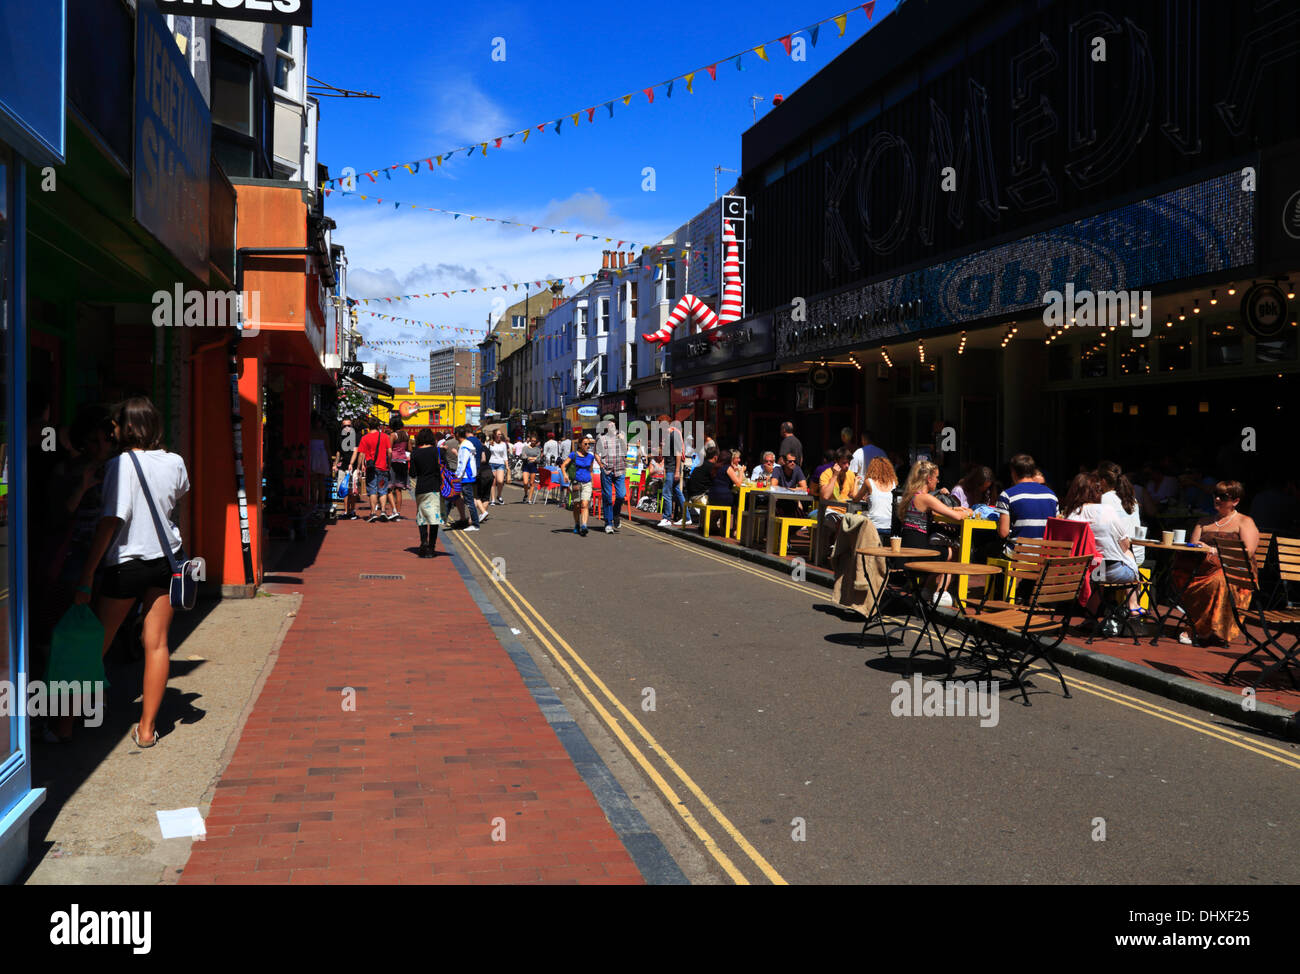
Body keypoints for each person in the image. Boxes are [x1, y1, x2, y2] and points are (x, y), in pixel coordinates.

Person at [73, 397, 189, 748]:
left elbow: (111, 520)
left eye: (116, 426)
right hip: (166, 561)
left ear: (127, 427)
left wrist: (87, 574)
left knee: (95, 645)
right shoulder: (175, 461)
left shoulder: (120, 465)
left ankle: (72, 718)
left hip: (125, 564)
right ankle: (147, 728)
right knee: (157, 645)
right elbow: (177, 501)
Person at [1175, 480, 1259, 645]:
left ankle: (1200, 628)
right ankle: (1200, 625)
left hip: (1235, 571)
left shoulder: (1245, 522)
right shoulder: (1203, 521)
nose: (1218, 499)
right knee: (1178, 571)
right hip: (1202, 568)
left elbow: (1247, 552)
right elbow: (1193, 547)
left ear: (1235, 501)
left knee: (1219, 581)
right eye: (1216, 495)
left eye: (1223, 496)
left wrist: (1215, 551)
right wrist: (1200, 547)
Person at [1061, 472, 1141, 614]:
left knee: (1099, 567)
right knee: (1127, 553)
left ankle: (1091, 616)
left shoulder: (1071, 515)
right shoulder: (1106, 510)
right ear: (1096, 492)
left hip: (1082, 572)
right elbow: (1125, 544)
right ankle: (1133, 604)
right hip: (1110, 572)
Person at [898, 460, 973, 605]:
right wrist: (969, 512)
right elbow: (957, 517)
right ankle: (940, 594)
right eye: (937, 477)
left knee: (944, 551)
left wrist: (954, 509)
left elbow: (942, 510)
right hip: (919, 554)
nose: (938, 481)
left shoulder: (913, 496)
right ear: (929, 478)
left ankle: (926, 590)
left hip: (908, 551)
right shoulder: (926, 498)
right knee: (955, 552)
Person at [996, 453, 1059, 555]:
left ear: (1013, 472)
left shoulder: (1007, 495)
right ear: (1033, 471)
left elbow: (1003, 533)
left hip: (1019, 555)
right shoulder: (1051, 495)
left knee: (985, 550)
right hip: (1044, 555)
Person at [1097, 461, 1145, 572]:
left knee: (1092, 558)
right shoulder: (1132, 499)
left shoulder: (1104, 499)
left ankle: (1096, 586)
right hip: (1137, 557)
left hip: (1118, 560)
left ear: (1103, 481)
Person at [410, 428, 443, 557]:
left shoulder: (415, 453)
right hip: (435, 487)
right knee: (434, 518)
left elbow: (412, 474)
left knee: (422, 517)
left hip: (421, 488)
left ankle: (424, 542)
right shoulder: (437, 451)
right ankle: (432, 547)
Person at [353, 417, 393, 522]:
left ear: (368, 426)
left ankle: (373, 513)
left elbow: (361, 454)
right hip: (383, 467)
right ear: (379, 426)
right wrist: (388, 464)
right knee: (383, 490)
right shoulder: (385, 437)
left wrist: (359, 466)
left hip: (371, 468)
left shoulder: (365, 438)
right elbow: (389, 452)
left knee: (372, 491)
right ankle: (383, 511)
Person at [562, 434, 600, 536]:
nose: (588, 446)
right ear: (580, 445)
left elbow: (590, 470)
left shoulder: (591, 456)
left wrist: (592, 482)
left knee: (585, 504)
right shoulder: (573, 455)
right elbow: (563, 465)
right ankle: (577, 524)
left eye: (589, 444)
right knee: (577, 505)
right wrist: (565, 475)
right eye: (585, 444)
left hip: (587, 483)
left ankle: (584, 525)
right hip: (575, 483)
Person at [853, 455, 898, 543]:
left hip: (874, 525)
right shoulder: (893, 483)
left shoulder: (869, 482)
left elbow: (855, 499)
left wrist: (856, 482)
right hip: (890, 525)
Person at [595, 416, 628, 533]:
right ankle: (608, 523)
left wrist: (623, 440)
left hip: (620, 470)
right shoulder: (601, 438)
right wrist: (601, 465)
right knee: (607, 497)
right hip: (607, 470)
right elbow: (597, 454)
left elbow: (626, 450)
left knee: (621, 495)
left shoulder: (622, 435)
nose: (610, 424)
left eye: (612, 422)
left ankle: (615, 514)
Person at [818, 447, 859, 541]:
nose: (847, 466)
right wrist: (835, 476)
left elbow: (852, 494)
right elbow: (825, 496)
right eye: (844, 463)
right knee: (834, 522)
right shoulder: (826, 474)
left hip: (846, 512)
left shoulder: (850, 474)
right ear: (836, 462)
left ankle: (838, 549)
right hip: (830, 511)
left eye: (849, 463)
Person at [658, 417, 691, 528]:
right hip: (670, 468)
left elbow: (678, 453)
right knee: (677, 492)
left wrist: (677, 470)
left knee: (666, 493)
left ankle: (666, 518)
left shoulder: (673, 435)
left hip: (673, 469)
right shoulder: (668, 436)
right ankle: (687, 518)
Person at [454, 425, 482, 531]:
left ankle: (475, 524)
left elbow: (463, 462)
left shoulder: (464, 445)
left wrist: (457, 475)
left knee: (469, 501)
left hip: (466, 476)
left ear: (457, 434)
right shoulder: (467, 444)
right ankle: (473, 523)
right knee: (468, 500)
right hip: (468, 476)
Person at [388, 416, 410, 520]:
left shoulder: (393, 435)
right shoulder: (406, 434)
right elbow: (409, 448)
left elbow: (389, 450)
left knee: (388, 488)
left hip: (393, 462)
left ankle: (394, 511)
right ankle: (398, 513)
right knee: (399, 489)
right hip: (403, 462)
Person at [488, 430, 510, 506]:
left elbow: (505, 456)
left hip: (501, 464)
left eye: (500, 434)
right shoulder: (490, 443)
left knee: (500, 481)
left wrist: (507, 466)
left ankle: (499, 495)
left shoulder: (503, 444)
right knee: (493, 483)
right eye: (498, 434)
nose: (499, 435)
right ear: (494, 435)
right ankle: (493, 499)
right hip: (491, 464)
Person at [520, 434, 542, 502]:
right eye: (532, 441)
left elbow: (538, 459)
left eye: (534, 441)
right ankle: (526, 494)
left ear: (536, 442)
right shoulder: (525, 448)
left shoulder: (538, 449)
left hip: (533, 466)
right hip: (526, 466)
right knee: (525, 482)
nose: (533, 442)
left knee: (532, 483)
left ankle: (529, 499)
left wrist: (531, 458)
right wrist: (533, 458)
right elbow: (523, 456)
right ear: (530, 440)